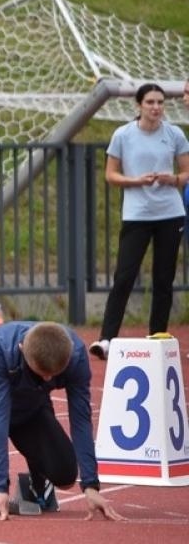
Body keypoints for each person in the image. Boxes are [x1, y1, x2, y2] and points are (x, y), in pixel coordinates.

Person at [0, 320, 123, 521]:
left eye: (53, 375)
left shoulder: (76, 355)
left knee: (65, 474)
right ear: (21, 349)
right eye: (41, 373)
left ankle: (33, 483)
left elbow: (81, 419)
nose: (47, 380)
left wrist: (91, 485)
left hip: (31, 407)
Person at [89, 83, 189, 359]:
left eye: (160, 102)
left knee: (164, 278)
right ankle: (106, 339)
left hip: (170, 213)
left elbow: (186, 171)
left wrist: (173, 179)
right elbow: (111, 174)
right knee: (124, 276)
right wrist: (136, 181)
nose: (156, 107)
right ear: (139, 105)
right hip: (137, 215)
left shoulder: (174, 134)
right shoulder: (123, 135)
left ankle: (157, 336)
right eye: (150, 102)